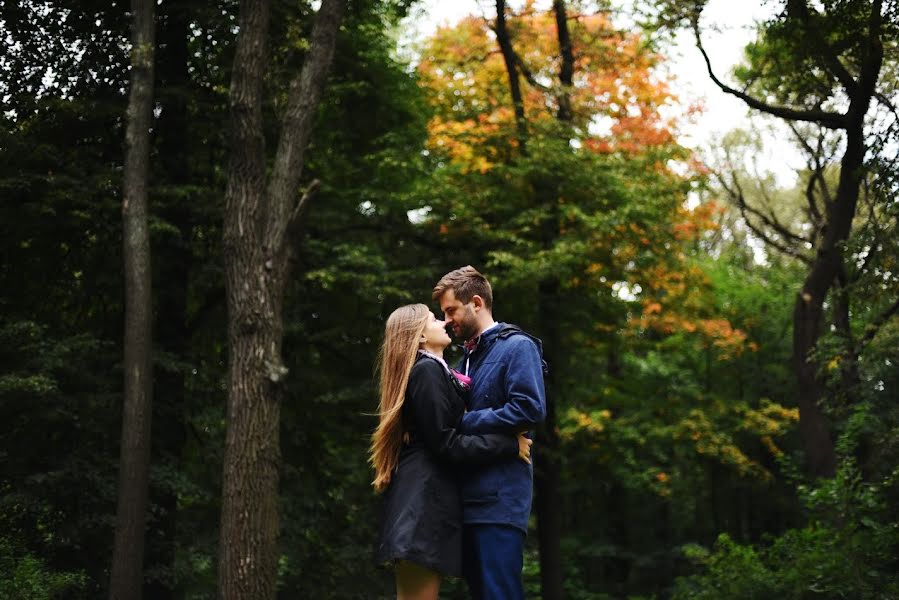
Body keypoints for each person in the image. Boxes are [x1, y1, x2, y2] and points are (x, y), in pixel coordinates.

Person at [370, 303, 533, 600]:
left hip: (428, 503)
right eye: (434, 318)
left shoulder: (438, 371)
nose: (443, 323)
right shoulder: (427, 371)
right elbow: (447, 442)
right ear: (419, 336)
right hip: (421, 507)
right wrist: (509, 445)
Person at [432, 266, 547, 600]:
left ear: (477, 303)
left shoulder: (517, 347)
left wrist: (466, 421)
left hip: (499, 503)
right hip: (466, 501)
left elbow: (530, 409)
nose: (446, 319)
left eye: (451, 310)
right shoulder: (464, 359)